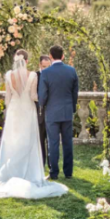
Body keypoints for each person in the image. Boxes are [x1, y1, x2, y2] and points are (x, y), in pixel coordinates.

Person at [0, 52, 69, 199]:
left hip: (13, 110)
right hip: (27, 110)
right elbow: (33, 96)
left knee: (12, 141)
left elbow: (7, 98)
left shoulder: (8, 75)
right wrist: (48, 98)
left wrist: (8, 111)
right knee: (27, 140)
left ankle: (11, 171)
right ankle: (27, 172)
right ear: (27, 60)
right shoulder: (32, 76)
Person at [38, 45, 79, 180]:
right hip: (67, 111)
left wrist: (42, 107)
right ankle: (68, 172)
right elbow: (75, 93)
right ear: (63, 56)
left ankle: (54, 173)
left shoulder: (46, 73)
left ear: (50, 56)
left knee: (53, 143)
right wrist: (72, 108)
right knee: (68, 142)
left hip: (52, 112)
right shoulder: (71, 71)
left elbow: (42, 95)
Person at [37, 55, 51, 167]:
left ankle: (51, 164)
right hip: (39, 113)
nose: (46, 69)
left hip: (51, 112)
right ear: (40, 65)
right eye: (44, 66)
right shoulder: (35, 76)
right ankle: (41, 163)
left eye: (48, 66)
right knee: (40, 140)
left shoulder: (54, 75)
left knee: (51, 140)